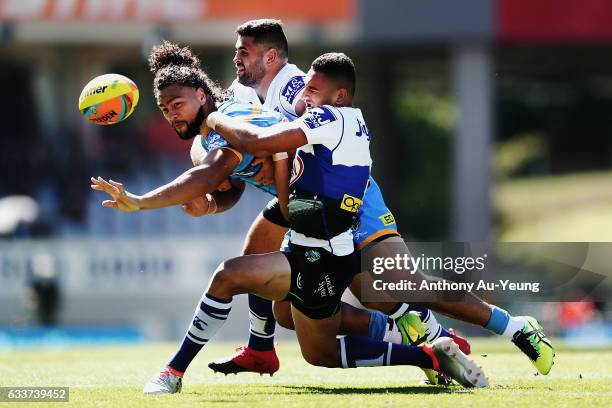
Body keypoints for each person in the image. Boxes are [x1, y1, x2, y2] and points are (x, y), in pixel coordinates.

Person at [93, 52, 489, 393]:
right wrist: (212, 206)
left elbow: (210, 175)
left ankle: (178, 371)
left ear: (201, 95)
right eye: (164, 110)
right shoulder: (220, 123)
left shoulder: (223, 124)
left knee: (234, 277)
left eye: (175, 104)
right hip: (310, 235)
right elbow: (228, 185)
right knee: (318, 348)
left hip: (325, 237)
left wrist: (141, 202)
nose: (170, 115)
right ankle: (429, 352)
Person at [202, 18, 553, 382]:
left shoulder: (294, 87)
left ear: (270, 55)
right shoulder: (242, 94)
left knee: (395, 287)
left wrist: (223, 135)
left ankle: (508, 327)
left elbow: (273, 141)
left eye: (243, 51)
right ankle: (415, 333)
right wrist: (213, 175)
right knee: (285, 307)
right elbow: (228, 151)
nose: (236, 59)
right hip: (309, 210)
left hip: (348, 203)